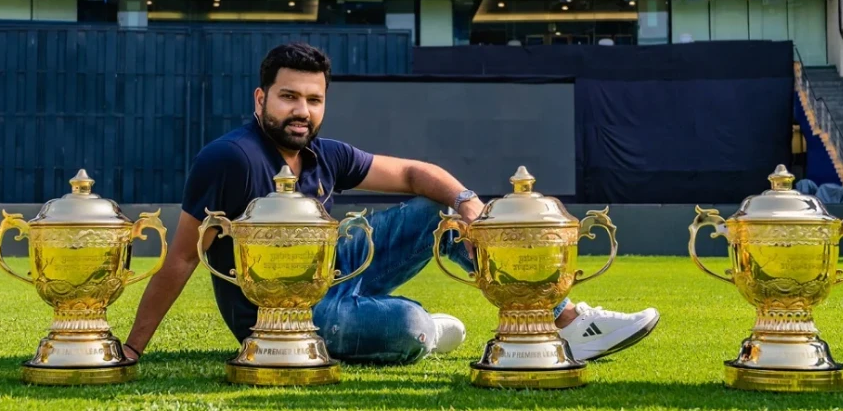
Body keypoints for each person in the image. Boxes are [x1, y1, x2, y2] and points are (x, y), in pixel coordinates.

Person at [123, 42, 658, 364]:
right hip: (281, 317)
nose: (302, 110)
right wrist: (133, 348)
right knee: (409, 329)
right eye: (288, 97)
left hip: (336, 269)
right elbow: (183, 258)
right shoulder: (232, 158)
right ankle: (425, 329)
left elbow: (411, 173)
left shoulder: (324, 153)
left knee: (441, 210)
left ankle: (564, 322)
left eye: (313, 99)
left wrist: (469, 204)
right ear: (261, 99)